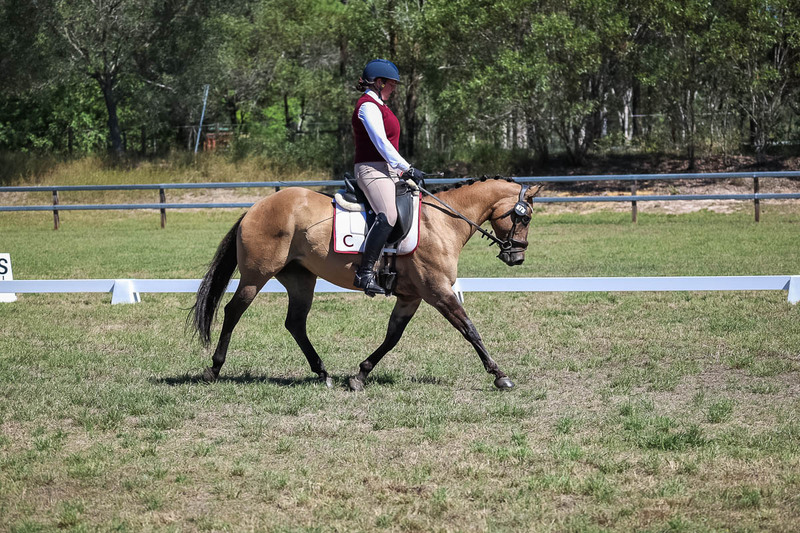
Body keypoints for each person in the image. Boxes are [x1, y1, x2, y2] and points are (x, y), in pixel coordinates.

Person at [351, 58, 426, 296]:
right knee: (389, 215)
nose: (394, 88)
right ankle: (365, 273)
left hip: (387, 169)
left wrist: (402, 170)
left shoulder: (380, 105)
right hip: (371, 169)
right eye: (391, 84)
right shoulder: (367, 106)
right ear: (379, 82)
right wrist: (406, 167)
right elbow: (381, 143)